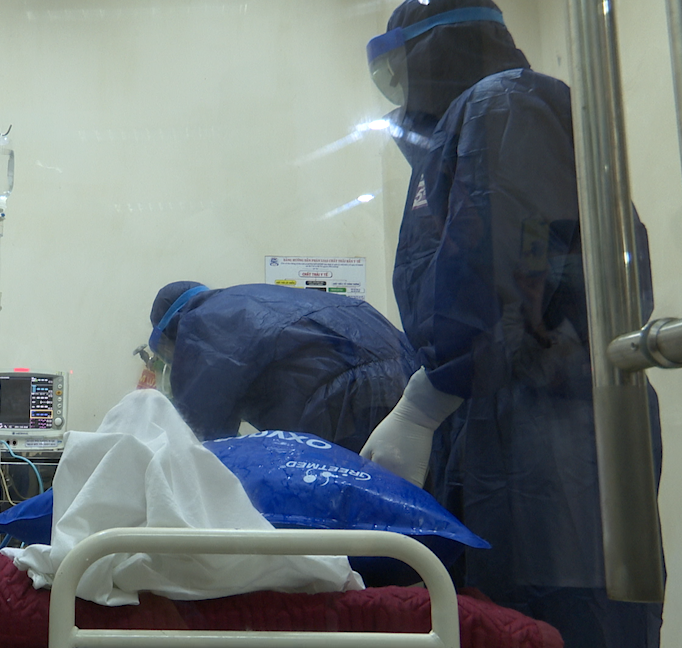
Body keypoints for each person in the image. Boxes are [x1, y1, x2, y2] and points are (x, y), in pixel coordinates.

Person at [359, 2, 663, 646]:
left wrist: (423, 403)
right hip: (503, 421)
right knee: (498, 615)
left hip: (552, 437)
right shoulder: (474, 123)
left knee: (563, 616)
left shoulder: (504, 107)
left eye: (402, 68)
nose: (400, 90)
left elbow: (501, 278)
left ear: (436, 51)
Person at [147, 281, 418, 452]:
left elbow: (200, 437)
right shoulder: (249, 298)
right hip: (410, 372)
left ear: (171, 330)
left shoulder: (198, 324)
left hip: (348, 398)